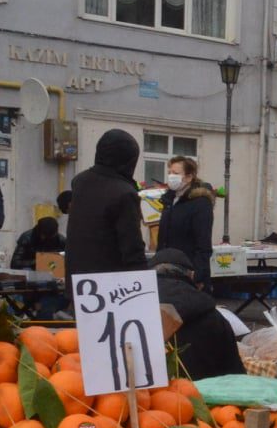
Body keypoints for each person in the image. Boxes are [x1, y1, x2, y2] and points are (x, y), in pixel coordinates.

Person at [65, 129, 148, 286]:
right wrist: (143, 283)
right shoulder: (124, 193)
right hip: (112, 287)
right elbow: (132, 246)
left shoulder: (80, 181)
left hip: (78, 281)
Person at [153, 249, 243, 378]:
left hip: (148, 396)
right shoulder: (213, 316)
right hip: (205, 394)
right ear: (191, 275)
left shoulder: (136, 310)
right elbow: (236, 374)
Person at [155, 156, 216, 286]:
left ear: (189, 177)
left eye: (176, 173)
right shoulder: (169, 201)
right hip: (165, 270)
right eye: (169, 172)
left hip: (188, 272)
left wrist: (198, 275)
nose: (171, 176)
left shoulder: (200, 203)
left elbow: (203, 243)